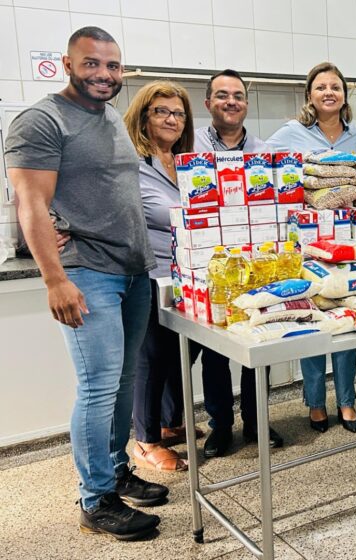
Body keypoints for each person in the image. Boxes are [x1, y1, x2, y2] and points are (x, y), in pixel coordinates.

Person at [4, 26, 166, 540]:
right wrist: (54, 279)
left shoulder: (111, 118)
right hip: (86, 273)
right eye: (92, 64)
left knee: (121, 384)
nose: (104, 74)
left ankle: (115, 471)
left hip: (133, 272)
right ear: (68, 64)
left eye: (113, 66)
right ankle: (95, 500)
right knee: (98, 388)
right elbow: (29, 203)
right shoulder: (42, 120)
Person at [267, 62, 356, 433]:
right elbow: (267, 166)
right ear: (309, 95)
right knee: (311, 317)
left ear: (344, 94)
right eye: (321, 87)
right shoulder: (291, 133)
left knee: (345, 316)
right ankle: (315, 401)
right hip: (307, 242)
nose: (328, 93)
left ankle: (347, 400)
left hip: (347, 240)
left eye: (335, 87)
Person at [194, 69, 283, 459]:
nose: (231, 102)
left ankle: (255, 420)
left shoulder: (263, 152)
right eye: (223, 95)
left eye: (239, 96)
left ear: (247, 102)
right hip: (211, 264)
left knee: (257, 341)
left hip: (257, 263)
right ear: (208, 102)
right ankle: (220, 426)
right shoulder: (192, 147)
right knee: (215, 351)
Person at [124, 80, 197, 471]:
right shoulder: (131, 162)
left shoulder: (186, 162)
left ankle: (170, 423)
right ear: (143, 116)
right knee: (152, 357)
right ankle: (146, 440)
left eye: (178, 113)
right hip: (150, 274)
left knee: (181, 353)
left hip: (189, 274)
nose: (171, 119)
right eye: (162, 111)